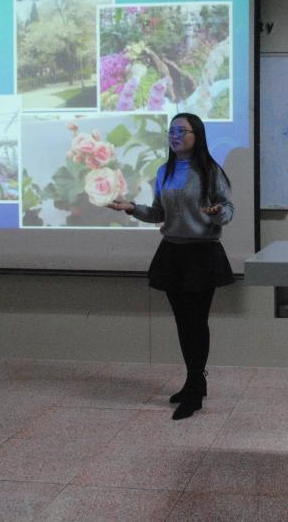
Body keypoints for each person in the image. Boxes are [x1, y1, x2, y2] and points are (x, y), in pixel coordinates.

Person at [107, 112, 234, 420]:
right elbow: (159, 213)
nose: (175, 136)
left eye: (181, 131)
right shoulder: (164, 171)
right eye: (171, 131)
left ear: (196, 135)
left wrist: (217, 211)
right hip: (173, 253)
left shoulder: (210, 171)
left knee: (196, 322)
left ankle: (195, 388)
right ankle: (194, 381)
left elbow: (228, 210)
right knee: (182, 322)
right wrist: (132, 208)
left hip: (202, 254)